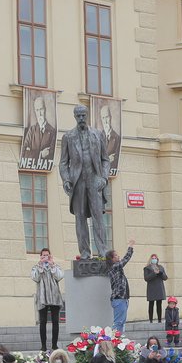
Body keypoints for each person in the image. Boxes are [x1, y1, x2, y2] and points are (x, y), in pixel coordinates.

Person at [59, 104, 111, 259]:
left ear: (87, 115)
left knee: (98, 217)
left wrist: (104, 177)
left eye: (83, 115)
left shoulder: (98, 134)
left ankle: (102, 251)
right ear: (75, 117)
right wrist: (66, 179)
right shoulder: (68, 137)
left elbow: (105, 160)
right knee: (80, 218)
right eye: (78, 116)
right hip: (78, 181)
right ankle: (85, 253)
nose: (81, 118)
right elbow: (63, 162)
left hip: (95, 179)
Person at [31, 248, 65, 351]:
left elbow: (59, 276)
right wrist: (40, 265)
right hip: (42, 297)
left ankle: (54, 345)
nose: (45, 257)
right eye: (43, 255)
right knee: (43, 321)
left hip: (54, 297)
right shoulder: (36, 267)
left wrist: (52, 265)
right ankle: (43, 346)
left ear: (50, 256)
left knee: (55, 321)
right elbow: (35, 278)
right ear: (40, 256)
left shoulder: (55, 266)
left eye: (47, 255)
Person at [106, 241, 135, 333]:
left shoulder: (116, 267)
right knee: (118, 322)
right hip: (119, 299)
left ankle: (120, 341)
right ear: (111, 259)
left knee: (121, 322)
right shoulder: (114, 267)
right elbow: (125, 259)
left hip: (123, 299)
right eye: (116, 255)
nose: (118, 257)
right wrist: (130, 247)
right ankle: (115, 341)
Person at [22, 95, 57, 164]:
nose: (40, 113)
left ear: (45, 109)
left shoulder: (52, 131)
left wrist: (31, 152)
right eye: (37, 110)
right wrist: (40, 154)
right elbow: (24, 152)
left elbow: (51, 153)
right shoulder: (31, 130)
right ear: (35, 111)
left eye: (41, 109)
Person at [143, 254, 169, 323]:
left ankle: (159, 320)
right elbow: (146, 278)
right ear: (150, 260)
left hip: (159, 288)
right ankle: (151, 320)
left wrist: (160, 273)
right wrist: (154, 273)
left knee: (159, 304)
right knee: (151, 304)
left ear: (157, 259)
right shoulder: (147, 268)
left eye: (155, 258)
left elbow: (165, 277)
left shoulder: (161, 267)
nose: (154, 259)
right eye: (153, 258)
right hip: (151, 288)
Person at [99, 103, 121, 168]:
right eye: (103, 118)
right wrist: (108, 159)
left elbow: (116, 159)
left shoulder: (117, 138)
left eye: (107, 117)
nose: (105, 121)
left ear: (111, 117)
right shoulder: (98, 137)